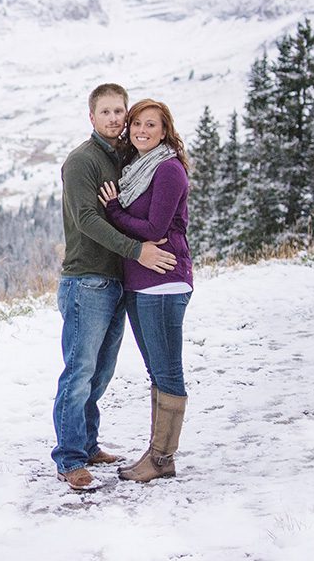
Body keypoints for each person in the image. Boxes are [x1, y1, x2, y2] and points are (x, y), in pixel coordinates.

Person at [53, 84, 177, 491]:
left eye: (118, 112)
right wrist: (136, 250)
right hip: (86, 280)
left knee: (101, 372)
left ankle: (88, 445)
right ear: (92, 117)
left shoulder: (127, 159)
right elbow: (88, 218)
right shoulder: (82, 162)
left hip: (116, 281)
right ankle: (70, 459)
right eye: (105, 112)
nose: (113, 119)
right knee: (79, 371)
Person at [97, 98, 193, 483]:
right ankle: (156, 454)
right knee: (157, 370)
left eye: (151, 124)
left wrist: (115, 211)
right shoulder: (138, 167)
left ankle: (162, 458)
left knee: (167, 370)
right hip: (142, 281)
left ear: (165, 129)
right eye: (136, 123)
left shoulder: (168, 170)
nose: (141, 130)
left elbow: (155, 228)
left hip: (164, 281)